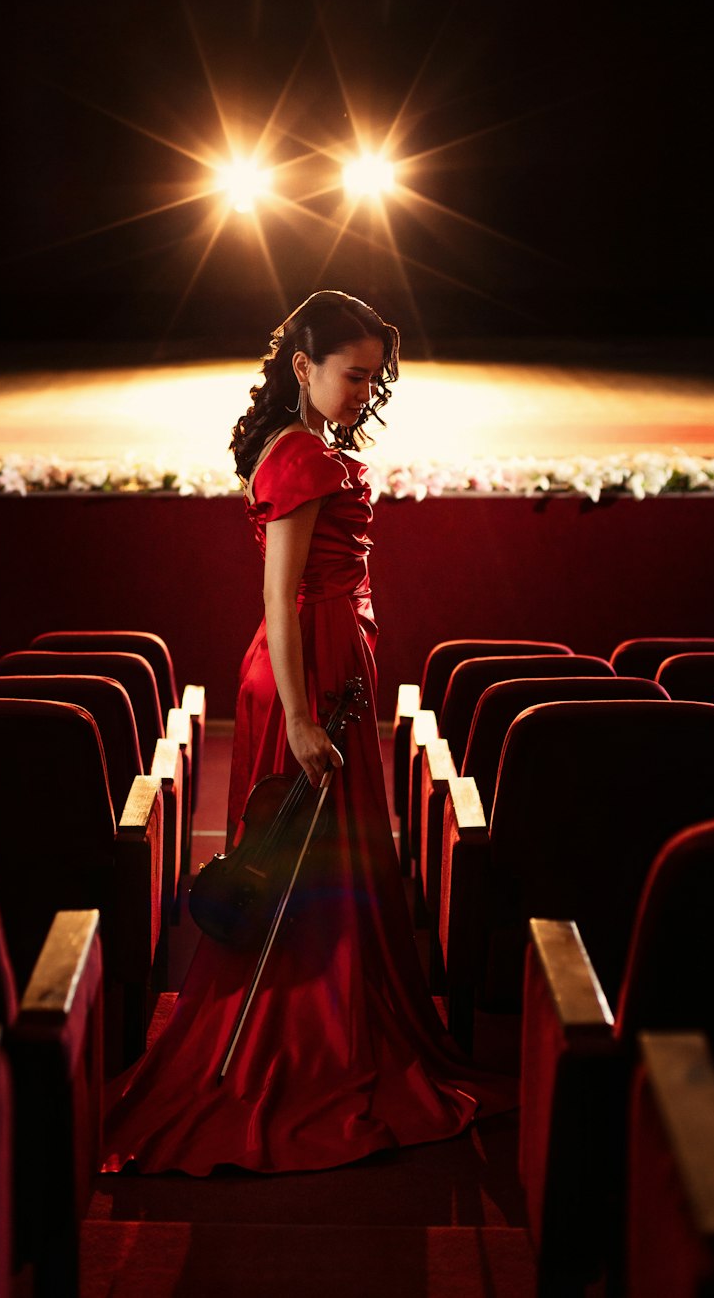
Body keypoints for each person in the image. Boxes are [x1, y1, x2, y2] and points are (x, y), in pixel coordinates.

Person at [101, 291, 478, 1176]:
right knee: (301, 862)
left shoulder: (307, 445)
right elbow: (279, 595)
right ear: (304, 367)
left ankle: (326, 1021)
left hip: (322, 660)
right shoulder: (302, 456)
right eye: (353, 374)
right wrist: (304, 717)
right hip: (301, 667)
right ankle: (304, 1038)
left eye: (375, 376)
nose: (365, 391)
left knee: (317, 859)